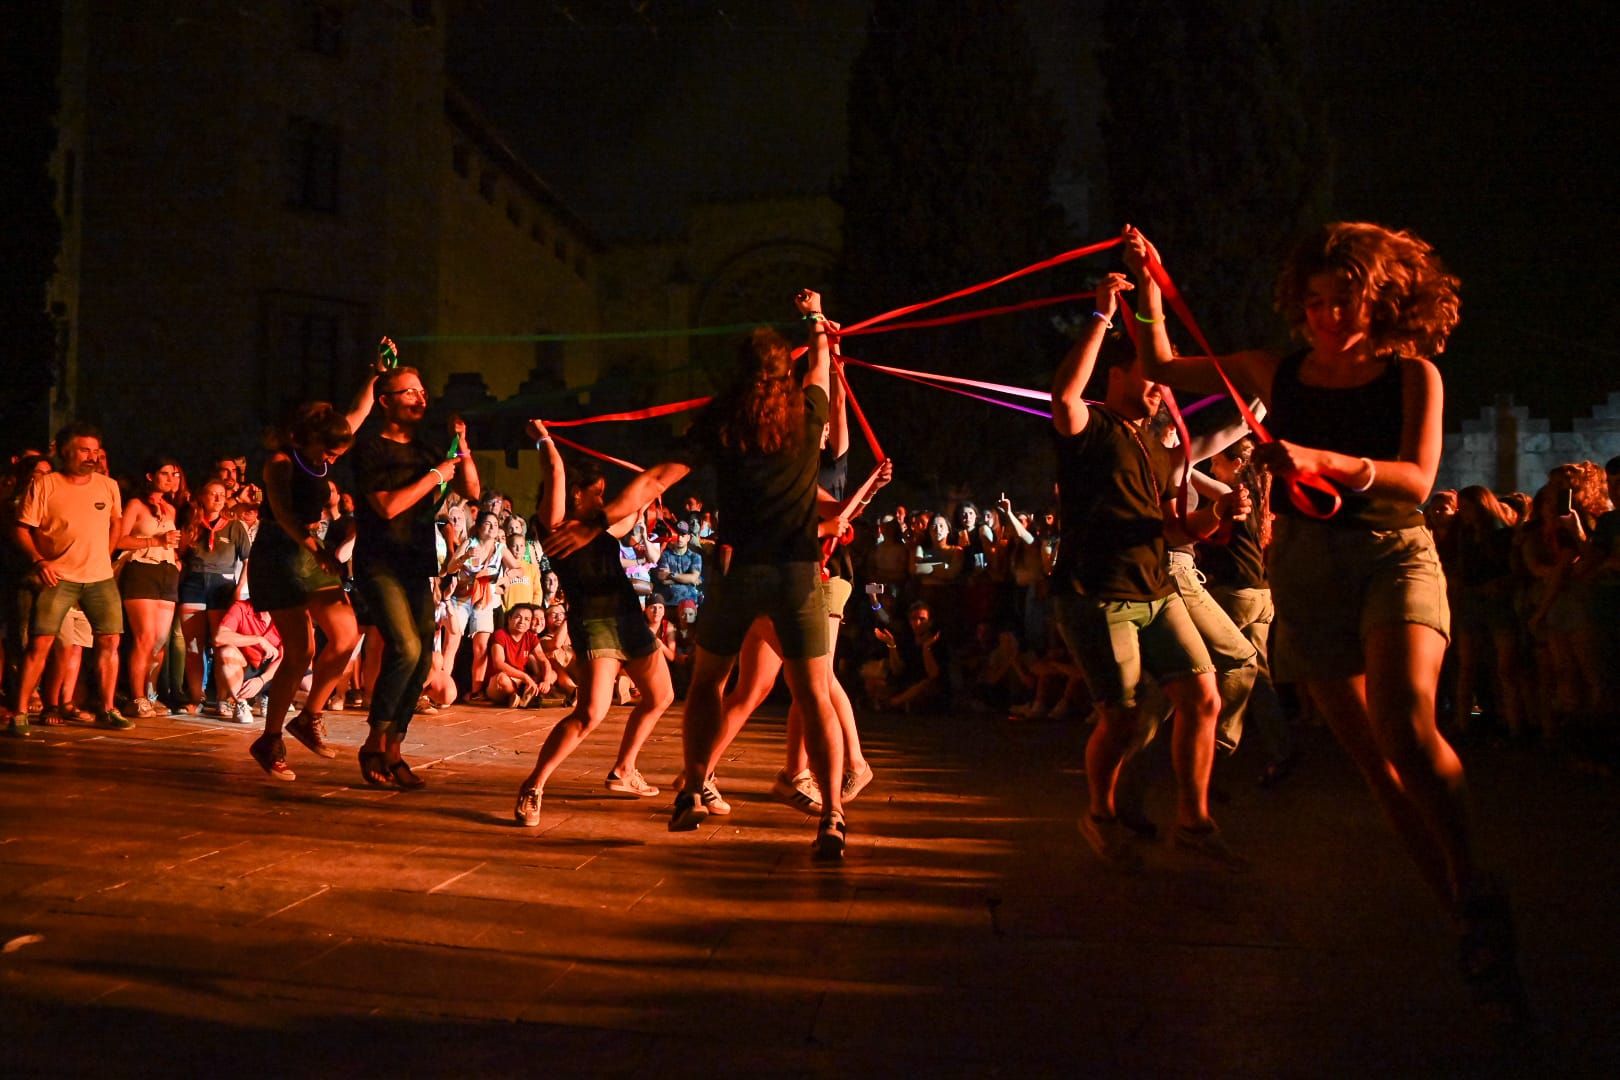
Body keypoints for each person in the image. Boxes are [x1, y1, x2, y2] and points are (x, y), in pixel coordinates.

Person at [1124, 221, 1526, 1019]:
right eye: (1313, 302)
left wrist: (1315, 460)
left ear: (1381, 302)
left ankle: (1475, 880)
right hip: (1306, 568)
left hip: (1391, 555)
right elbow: (1161, 367)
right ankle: (1467, 921)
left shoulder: (1413, 376)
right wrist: (1145, 287)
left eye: (1343, 301)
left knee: (1406, 723)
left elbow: (1414, 480)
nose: (1326, 317)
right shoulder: (1277, 370)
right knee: (1376, 763)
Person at [546, 289, 848, 858]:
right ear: (789, 374)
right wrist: (816, 323)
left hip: (737, 573)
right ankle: (831, 817)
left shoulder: (723, 419)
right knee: (813, 695)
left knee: (709, 681)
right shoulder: (807, 414)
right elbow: (824, 371)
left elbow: (658, 477)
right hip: (795, 572)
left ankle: (691, 788)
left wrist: (600, 518)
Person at [1046, 271, 1235, 871]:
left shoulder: (1154, 444)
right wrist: (1102, 317)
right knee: (1122, 720)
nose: (1160, 390)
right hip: (1096, 595)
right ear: (1118, 373)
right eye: (1151, 377)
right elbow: (1064, 400)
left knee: (1203, 696)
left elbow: (1172, 530)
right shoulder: (1090, 428)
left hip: (1156, 588)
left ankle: (1195, 821)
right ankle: (1098, 811)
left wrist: (1216, 514)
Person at [511, 425, 677, 826]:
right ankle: (533, 785)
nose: (603, 499)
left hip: (629, 619)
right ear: (577, 494)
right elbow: (555, 471)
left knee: (661, 696)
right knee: (589, 714)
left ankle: (623, 770)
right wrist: (545, 439)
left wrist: (647, 499)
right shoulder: (552, 525)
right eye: (597, 492)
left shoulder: (598, 528)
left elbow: (625, 515)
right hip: (597, 624)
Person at [351, 366, 480, 789]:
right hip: (379, 562)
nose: (421, 399)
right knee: (405, 646)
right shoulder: (370, 448)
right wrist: (434, 476)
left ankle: (394, 749)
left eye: (423, 391)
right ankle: (373, 742)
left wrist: (461, 447)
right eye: (409, 392)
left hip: (414, 562)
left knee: (424, 654)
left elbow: (473, 492)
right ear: (385, 401)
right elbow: (387, 508)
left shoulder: (427, 450)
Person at [248, 379, 378, 780]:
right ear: (310, 439)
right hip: (279, 553)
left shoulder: (328, 443)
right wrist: (315, 547)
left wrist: (375, 376)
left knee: (345, 635)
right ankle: (269, 740)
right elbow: (284, 514)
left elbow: (359, 411)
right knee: (300, 650)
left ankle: (309, 717)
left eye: (339, 455)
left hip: (309, 553)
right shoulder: (281, 462)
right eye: (330, 453)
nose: (333, 461)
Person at [8, 422, 131, 736]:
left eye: (94, 450)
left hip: (100, 577)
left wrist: (107, 551)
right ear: (66, 451)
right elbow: (22, 528)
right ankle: (19, 712)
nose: (91, 456)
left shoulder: (108, 485)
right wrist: (39, 561)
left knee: (110, 641)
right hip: (58, 576)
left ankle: (108, 708)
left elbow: (116, 522)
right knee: (41, 643)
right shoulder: (47, 484)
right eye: (83, 450)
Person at [114, 457, 185, 718]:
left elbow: (171, 542)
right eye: (165, 473)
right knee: (144, 637)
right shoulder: (135, 504)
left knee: (159, 641)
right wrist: (154, 541)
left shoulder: (170, 509)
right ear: (149, 476)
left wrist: (174, 556)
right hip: (141, 569)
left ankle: (149, 693)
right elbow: (119, 540)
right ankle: (137, 697)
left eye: (174, 474)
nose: (171, 479)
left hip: (166, 572)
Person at [212, 597, 283, 725]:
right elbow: (220, 637)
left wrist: (262, 680)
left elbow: (285, 656)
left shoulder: (286, 613)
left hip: (273, 672)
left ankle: (270, 697)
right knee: (226, 652)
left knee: (310, 687)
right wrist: (258, 640)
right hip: (247, 668)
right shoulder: (241, 607)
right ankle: (240, 703)